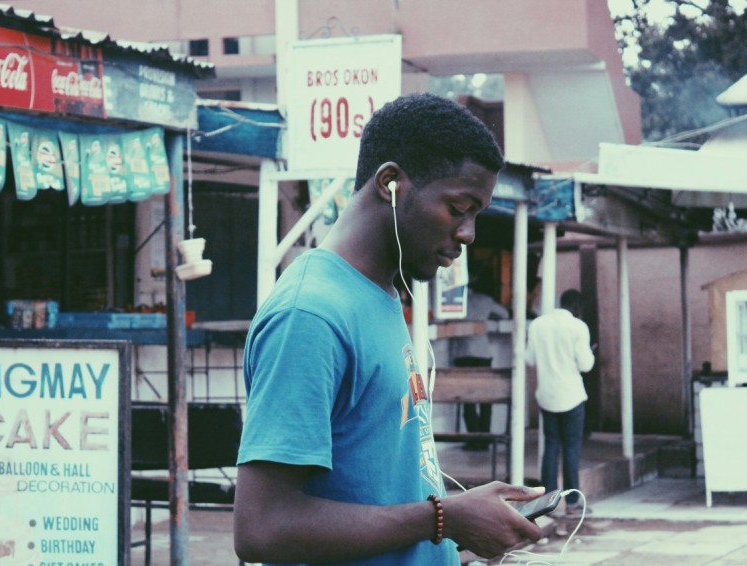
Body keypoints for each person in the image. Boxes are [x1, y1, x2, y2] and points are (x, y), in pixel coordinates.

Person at [234, 93, 546, 565]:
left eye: (476, 215)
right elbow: (262, 528)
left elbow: (377, 494)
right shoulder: (311, 315)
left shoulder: (378, 295)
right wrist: (444, 518)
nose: (468, 234)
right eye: (458, 207)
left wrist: (461, 531)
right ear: (390, 183)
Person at [525, 289, 595, 515]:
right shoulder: (578, 327)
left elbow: (529, 359)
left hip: (547, 395)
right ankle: (572, 502)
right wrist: (590, 352)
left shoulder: (537, 325)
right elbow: (586, 365)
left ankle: (548, 503)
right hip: (572, 396)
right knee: (571, 449)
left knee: (551, 448)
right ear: (576, 307)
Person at [450, 274, 509, 450]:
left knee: (467, 399)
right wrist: (488, 320)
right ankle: (485, 437)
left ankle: (474, 438)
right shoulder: (486, 300)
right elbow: (505, 314)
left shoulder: (456, 300)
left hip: (463, 354)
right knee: (485, 398)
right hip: (482, 353)